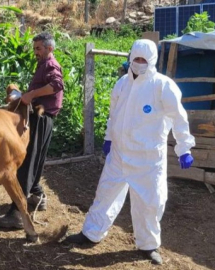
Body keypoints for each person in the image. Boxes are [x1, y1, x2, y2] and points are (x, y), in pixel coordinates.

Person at [62, 39, 195, 265]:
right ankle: (91, 233)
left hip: (148, 160)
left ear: (152, 60)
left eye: (144, 60)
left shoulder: (163, 86)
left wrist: (184, 148)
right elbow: (114, 114)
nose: (139, 63)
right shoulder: (122, 83)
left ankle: (148, 245)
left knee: (150, 203)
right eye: (136, 59)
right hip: (119, 156)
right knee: (105, 194)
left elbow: (179, 118)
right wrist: (108, 138)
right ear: (130, 58)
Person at [0, 32, 64, 229]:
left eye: (39, 48)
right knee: (36, 160)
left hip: (41, 118)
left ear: (50, 48)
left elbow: (57, 85)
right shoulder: (43, 64)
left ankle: (16, 213)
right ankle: (37, 196)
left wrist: (31, 94)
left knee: (27, 163)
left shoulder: (50, 65)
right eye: (34, 49)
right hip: (43, 118)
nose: (35, 52)